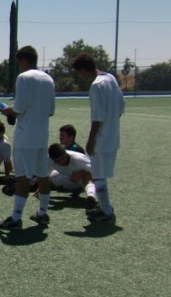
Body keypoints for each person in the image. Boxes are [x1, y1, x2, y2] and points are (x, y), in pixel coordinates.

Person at [0, 45, 56, 229]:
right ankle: (43, 213)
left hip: (25, 136)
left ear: (24, 60)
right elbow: (51, 111)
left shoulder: (24, 78)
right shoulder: (48, 79)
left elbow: (19, 108)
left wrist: (6, 110)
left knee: (21, 178)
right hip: (42, 137)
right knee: (42, 175)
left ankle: (15, 217)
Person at [71, 51, 125, 222]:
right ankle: (103, 208)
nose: (80, 76)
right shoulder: (111, 79)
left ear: (84, 70)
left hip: (101, 140)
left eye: (79, 72)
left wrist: (91, 139)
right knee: (100, 175)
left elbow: (98, 117)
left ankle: (107, 213)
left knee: (99, 176)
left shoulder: (96, 85)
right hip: (113, 136)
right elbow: (121, 107)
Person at [46, 143, 98, 213]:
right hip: (67, 177)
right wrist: (42, 186)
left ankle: (91, 197)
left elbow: (96, 173)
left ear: (65, 153)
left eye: (62, 159)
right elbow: (45, 175)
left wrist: (81, 173)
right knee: (49, 179)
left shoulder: (79, 158)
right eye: (57, 161)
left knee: (88, 177)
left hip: (81, 179)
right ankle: (75, 188)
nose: (61, 162)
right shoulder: (49, 160)